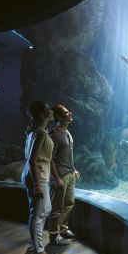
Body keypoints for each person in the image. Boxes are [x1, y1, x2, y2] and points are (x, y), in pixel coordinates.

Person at [21, 101, 58, 254]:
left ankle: (32, 248)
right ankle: (38, 252)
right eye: (48, 109)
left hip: (39, 176)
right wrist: (37, 184)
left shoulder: (36, 132)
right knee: (37, 214)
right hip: (37, 177)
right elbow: (32, 160)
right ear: (43, 113)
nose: (51, 111)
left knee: (44, 209)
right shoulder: (40, 134)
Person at [48, 105, 80, 245]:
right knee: (56, 208)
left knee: (69, 204)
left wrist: (74, 169)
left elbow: (67, 155)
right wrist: (56, 178)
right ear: (59, 117)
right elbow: (50, 159)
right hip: (60, 176)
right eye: (66, 112)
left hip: (70, 174)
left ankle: (63, 229)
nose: (70, 113)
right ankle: (54, 236)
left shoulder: (67, 132)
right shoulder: (54, 134)